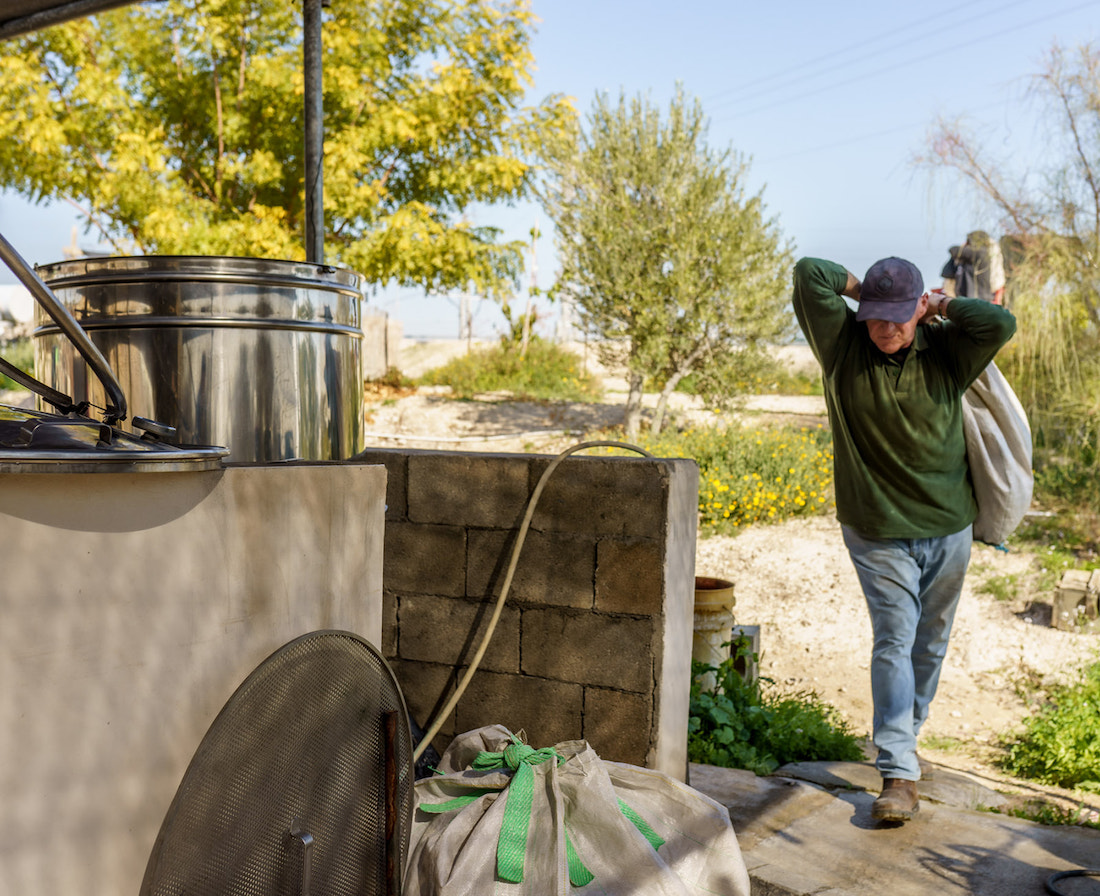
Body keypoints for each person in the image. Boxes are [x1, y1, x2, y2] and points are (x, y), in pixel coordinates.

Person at [791, 256, 1016, 823]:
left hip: (949, 526)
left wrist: (939, 305)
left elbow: (998, 324)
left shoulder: (946, 353)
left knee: (930, 644)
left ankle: (904, 740)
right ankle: (897, 772)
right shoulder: (841, 346)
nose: (885, 329)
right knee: (894, 637)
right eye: (875, 317)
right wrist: (863, 290)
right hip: (876, 529)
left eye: (898, 317)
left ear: (918, 311)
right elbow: (808, 272)